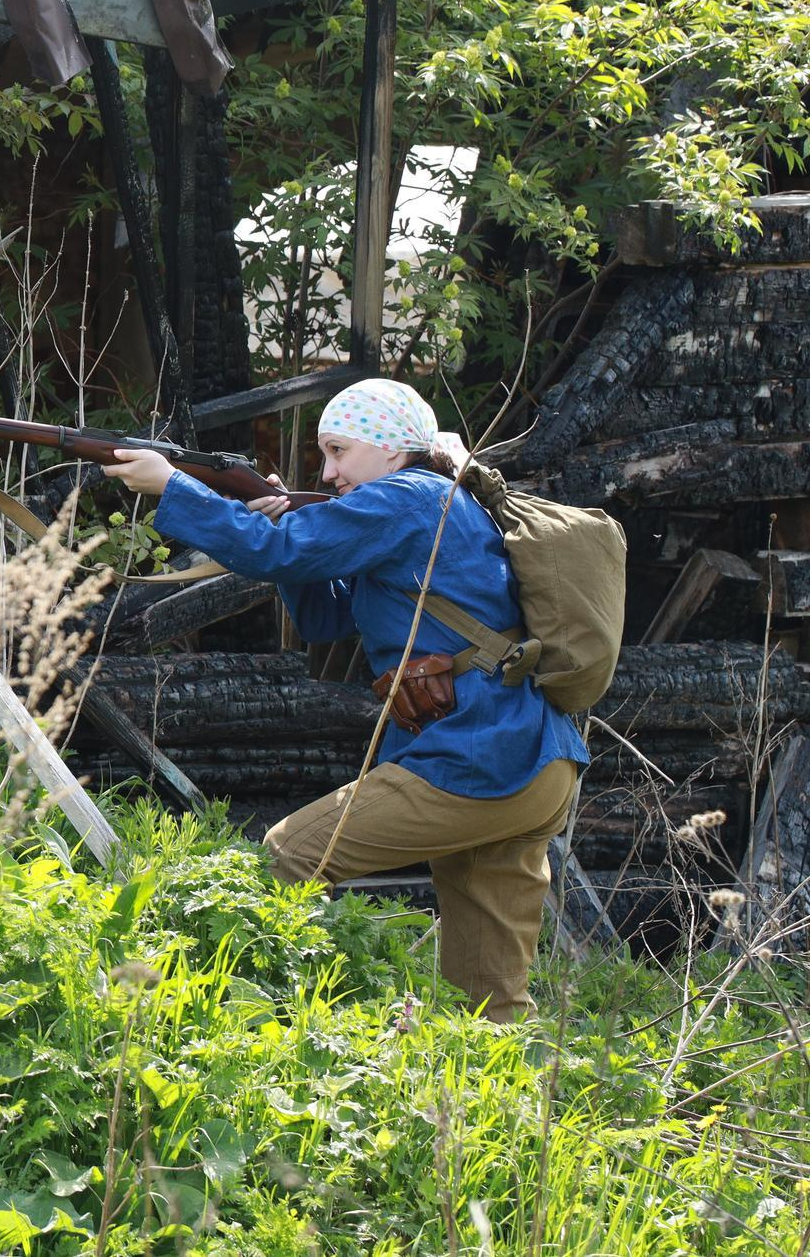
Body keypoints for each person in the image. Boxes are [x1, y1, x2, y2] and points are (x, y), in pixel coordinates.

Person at [106, 378, 589, 1024]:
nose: (328, 472)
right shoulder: (433, 503)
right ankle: (510, 1111)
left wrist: (173, 487)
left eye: (339, 451)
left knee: (287, 853)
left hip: (480, 759)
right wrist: (280, 533)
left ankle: (219, 1018)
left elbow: (280, 548)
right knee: (490, 1002)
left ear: (391, 451)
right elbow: (327, 614)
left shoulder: (403, 497)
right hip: (533, 763)